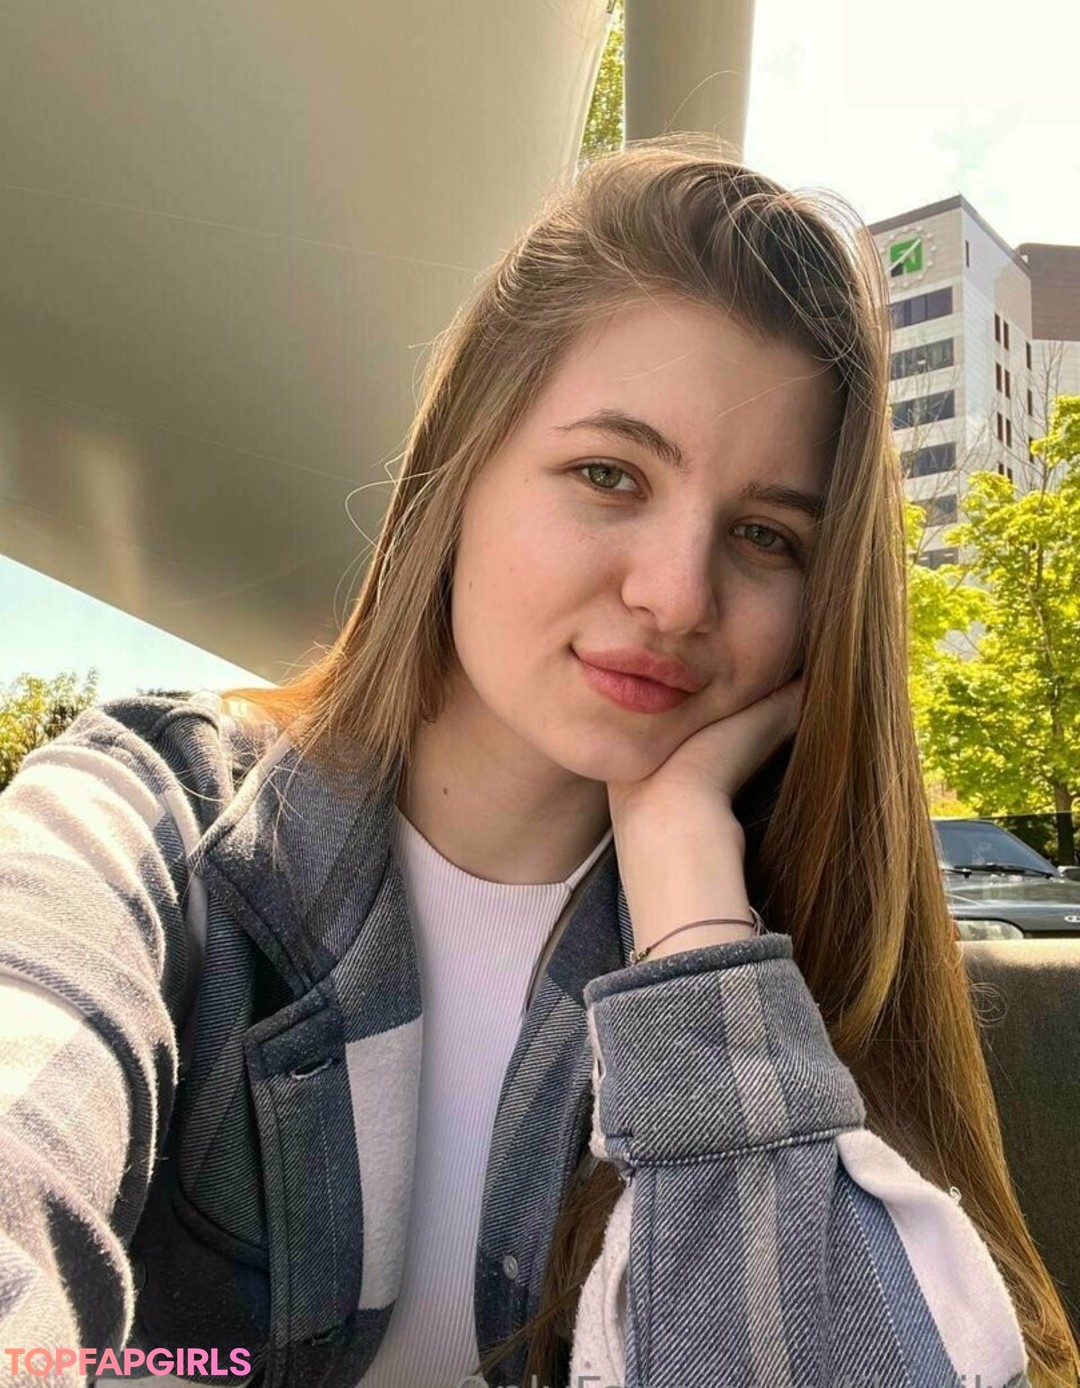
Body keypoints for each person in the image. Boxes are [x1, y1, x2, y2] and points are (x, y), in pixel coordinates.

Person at [0, 136, 1075, 1388]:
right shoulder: (147, 824)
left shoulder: (802, 949)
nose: (677, 594)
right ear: (456, 475)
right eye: (609, 474)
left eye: (766, 536)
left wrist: (690, 907)